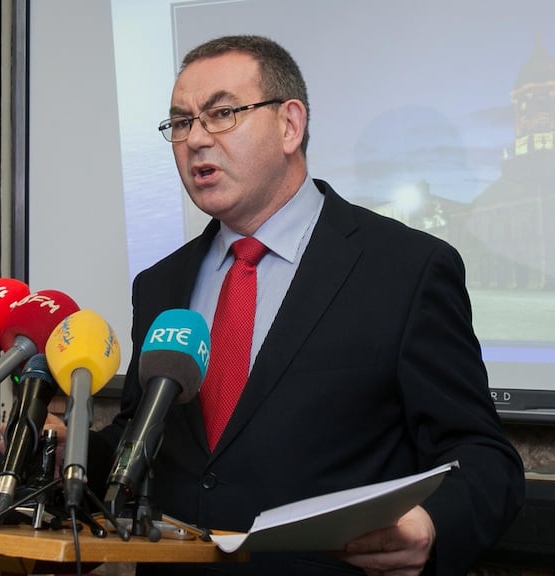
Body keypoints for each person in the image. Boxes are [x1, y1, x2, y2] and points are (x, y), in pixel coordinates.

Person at [83, 35, 525, 575]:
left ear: (290, 125)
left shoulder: (406, 269)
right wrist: (72, 451)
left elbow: (482, 455)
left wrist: (432, 524)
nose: (195, 139)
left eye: (222, 114)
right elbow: (141, 436)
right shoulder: (159, 284)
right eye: (180, 122)